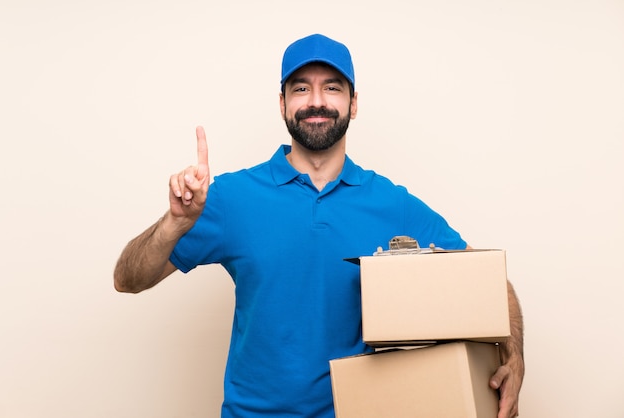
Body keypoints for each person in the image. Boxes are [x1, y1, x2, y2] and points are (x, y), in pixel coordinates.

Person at [114, 34, 524, 418]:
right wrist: (175, 222)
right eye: (300, 88)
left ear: (353, 103)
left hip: (361, 411)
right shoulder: (229, 197)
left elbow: (486, 282)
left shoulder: (391, 203)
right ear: (282, 103)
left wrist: (514, 357)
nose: (316, 101)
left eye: (331, 87)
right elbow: (128, 279)